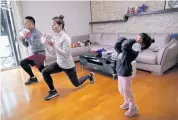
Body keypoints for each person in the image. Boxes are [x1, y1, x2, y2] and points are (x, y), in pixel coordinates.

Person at [41, 15, 95, 100]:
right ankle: (53, 91)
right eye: (52, 25)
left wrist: (54, 46)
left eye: (54, 25)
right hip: (59, 63)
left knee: (76, 84)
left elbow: (65, 54)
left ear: (60, 25)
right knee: (44, 72)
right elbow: (54, 53)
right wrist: (45, 44)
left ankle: (89, 75)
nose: (52, 27)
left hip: (68, 66)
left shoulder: (66, 38)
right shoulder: (55, 36)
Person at [114, 33, 155, 117]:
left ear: (142, 44)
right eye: (137, 36)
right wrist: (121, 39)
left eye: (138, 38)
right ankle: (127, 102)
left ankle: (133, 107)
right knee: (121, 90)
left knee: (126, 90)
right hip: (119, 70)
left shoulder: (136, 49)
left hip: (126, 73)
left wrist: (132, 41)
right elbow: (117, 47)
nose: (136, 38)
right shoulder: (132, 45)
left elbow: (124, 48)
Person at [19, 16, 46, 85]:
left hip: (40, 55)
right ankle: (52, 70)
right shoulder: (29, 33)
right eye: (24, 23)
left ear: (32, 24)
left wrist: (28, 37)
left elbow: (36, 45)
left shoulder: (37, 33)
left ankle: (33, 78)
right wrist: (22, 40)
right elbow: (26, 45)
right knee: (43, 71)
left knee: (23, 62)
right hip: (35, 55)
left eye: (26, 23)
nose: (25, 25)